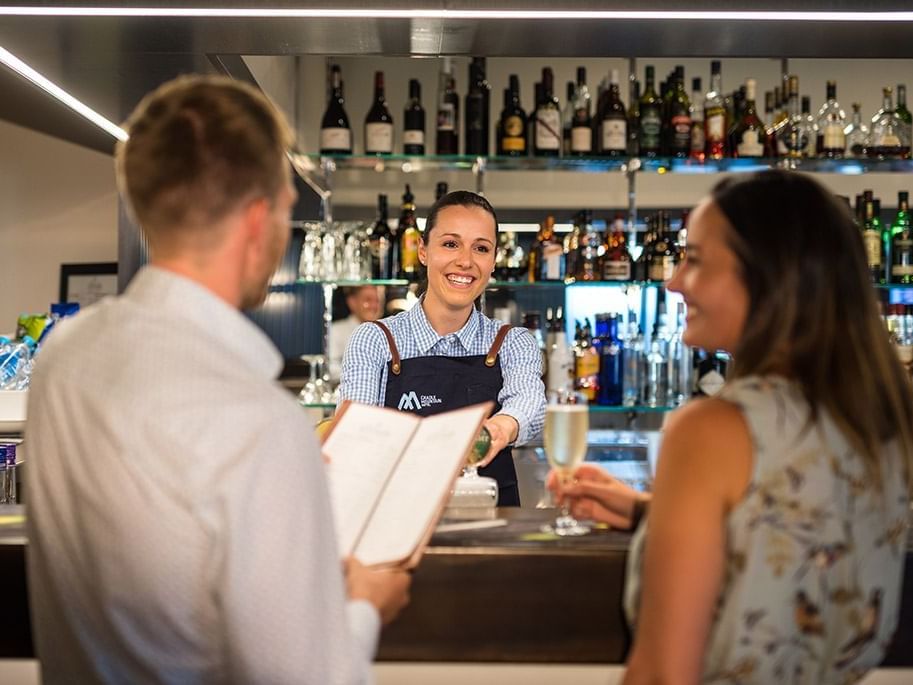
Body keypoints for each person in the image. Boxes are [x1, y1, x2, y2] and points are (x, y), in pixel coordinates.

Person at [25, 75, 410, 684]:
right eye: (288, 209)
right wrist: (366, 604)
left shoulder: (63, 357)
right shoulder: (257, 419)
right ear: (258, 220)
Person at [552, 170, 913, 683]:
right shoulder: (880, 416)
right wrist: (649, 514)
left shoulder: (711, 429)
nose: (672, 281)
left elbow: (663, 675)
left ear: (766, 274)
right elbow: (794, 541)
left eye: (694, 259)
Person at [338, 191, 546, 506]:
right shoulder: (376, 339)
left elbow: (528, 402)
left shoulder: (513, 342)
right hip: (400, 530)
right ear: (423, 251)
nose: (465, 261)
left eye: (481, 248)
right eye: (450, 244)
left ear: (492, 261)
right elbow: (358, 436)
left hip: (490, 531)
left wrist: (496, 430)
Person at [329, 285, 384, 381]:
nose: (374, 306)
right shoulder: (336, 330)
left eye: (377, 301)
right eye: (368, 300)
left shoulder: (387, 332)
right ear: (352, 302)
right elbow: (331, 368)